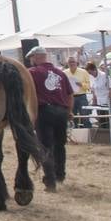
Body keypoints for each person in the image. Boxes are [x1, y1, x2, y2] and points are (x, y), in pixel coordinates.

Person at [26, 46, 73, 189]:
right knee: (60, 145)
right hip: (62, 111)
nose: (31, 61)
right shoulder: (61, 73)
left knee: (45, 146)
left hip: (44, 111)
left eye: (31, 58)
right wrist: (69, 111)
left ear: (36, 57)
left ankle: (50, 180)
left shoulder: (32, 73)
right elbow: (70, 95)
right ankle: (60, 174)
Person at [64, 57, 91, 128]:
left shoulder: (84, 72)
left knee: (85, 116)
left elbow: (89, 86)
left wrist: (81, 84)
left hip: (82, 96)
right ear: (67, 64)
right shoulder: (64, 73)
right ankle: (75, 133)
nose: (72, 63)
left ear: (76, 63)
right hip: (70, 97)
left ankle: (88, 134)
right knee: (72, 117)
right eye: (70, 62)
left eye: (73, 62)